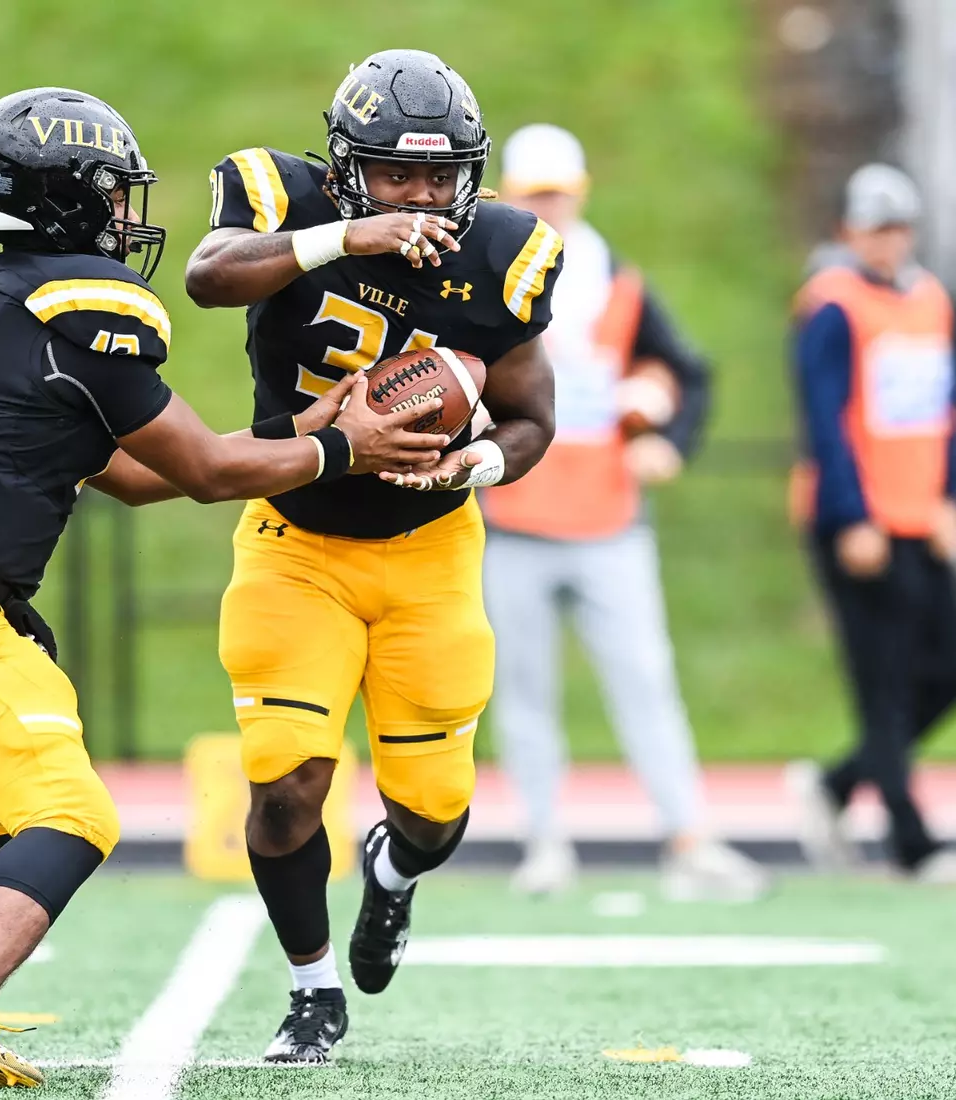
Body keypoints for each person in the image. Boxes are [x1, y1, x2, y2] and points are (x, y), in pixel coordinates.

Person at [0, 87, 446, 1087]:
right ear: (61, 197)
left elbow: (147, 476)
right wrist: (347, 446)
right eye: (105, 190)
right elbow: (211, 474)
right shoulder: (87, 300)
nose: (123, 212)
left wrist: (311, 430)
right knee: (74, 812)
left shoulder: (0, 296)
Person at [184, 50, 562, 1063]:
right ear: (348, 167)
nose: (425, 194)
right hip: (295, 538)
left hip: (429, 548)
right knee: (285, 778)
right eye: (398, 173)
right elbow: (209, 275)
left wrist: (473, 464)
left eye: (441, 175)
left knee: (433, 810)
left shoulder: (504, 250)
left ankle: (392, 873)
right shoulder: (289, 200)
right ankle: (312, 989)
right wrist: (346, 236)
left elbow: (531, 419)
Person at [480, 124, 768, 902]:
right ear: (510, 194)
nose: (550, 206)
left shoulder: (619, 280)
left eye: (559, 193)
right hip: (514, 519)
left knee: (646, 680)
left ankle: (687, 835)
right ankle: (542, 841)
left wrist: (668, 432)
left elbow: (684, 371)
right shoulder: (481, 275)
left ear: (579, 193)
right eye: (537, 193)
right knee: (524, 691)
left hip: (609, 522)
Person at [785, 163, 956, 885]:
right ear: (849, 232)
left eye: (898, 227)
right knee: (885, 685)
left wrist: (951, 499)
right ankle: (913, 844)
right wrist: (851, 515)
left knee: (952, 672)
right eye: (876, 228)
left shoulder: (930, 298)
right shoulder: (832, 305)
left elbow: (948, 408)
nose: (888, 241)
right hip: (863, 520)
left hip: (919, 514)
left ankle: (837, 786)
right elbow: (824, 420)